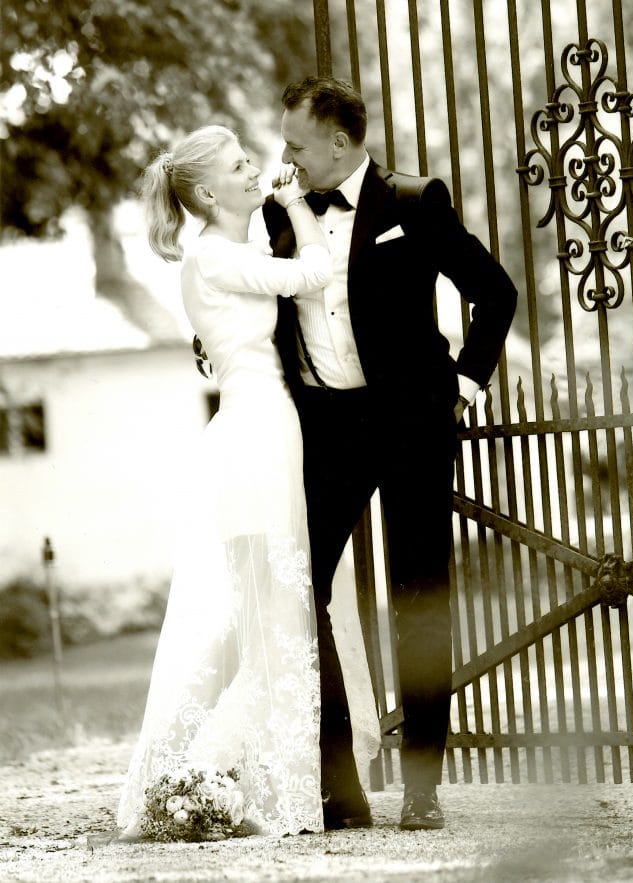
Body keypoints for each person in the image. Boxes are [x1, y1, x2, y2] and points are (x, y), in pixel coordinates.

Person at [262, 77, 518, 831]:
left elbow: (496, 292)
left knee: (419, 598)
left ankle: (422, 790)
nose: (287, 158)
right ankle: (339, 787)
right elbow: (255, 299)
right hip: (327, 430)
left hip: (412, 428)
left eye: (297, 145)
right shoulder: (278, 217)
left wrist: (464, 384)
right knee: (297, 591)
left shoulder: (413, 202)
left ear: (339, 142)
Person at [117, 124, 336, 839]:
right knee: (264, 622)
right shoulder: (212, 255)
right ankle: (194, 775)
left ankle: (202, 776)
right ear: (209, 194)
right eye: (241, 166)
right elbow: (313, 273)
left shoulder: (233, 249)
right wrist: (298, 204)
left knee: (264, 620)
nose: (255, 170)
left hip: (268, 428)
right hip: (255, 436)